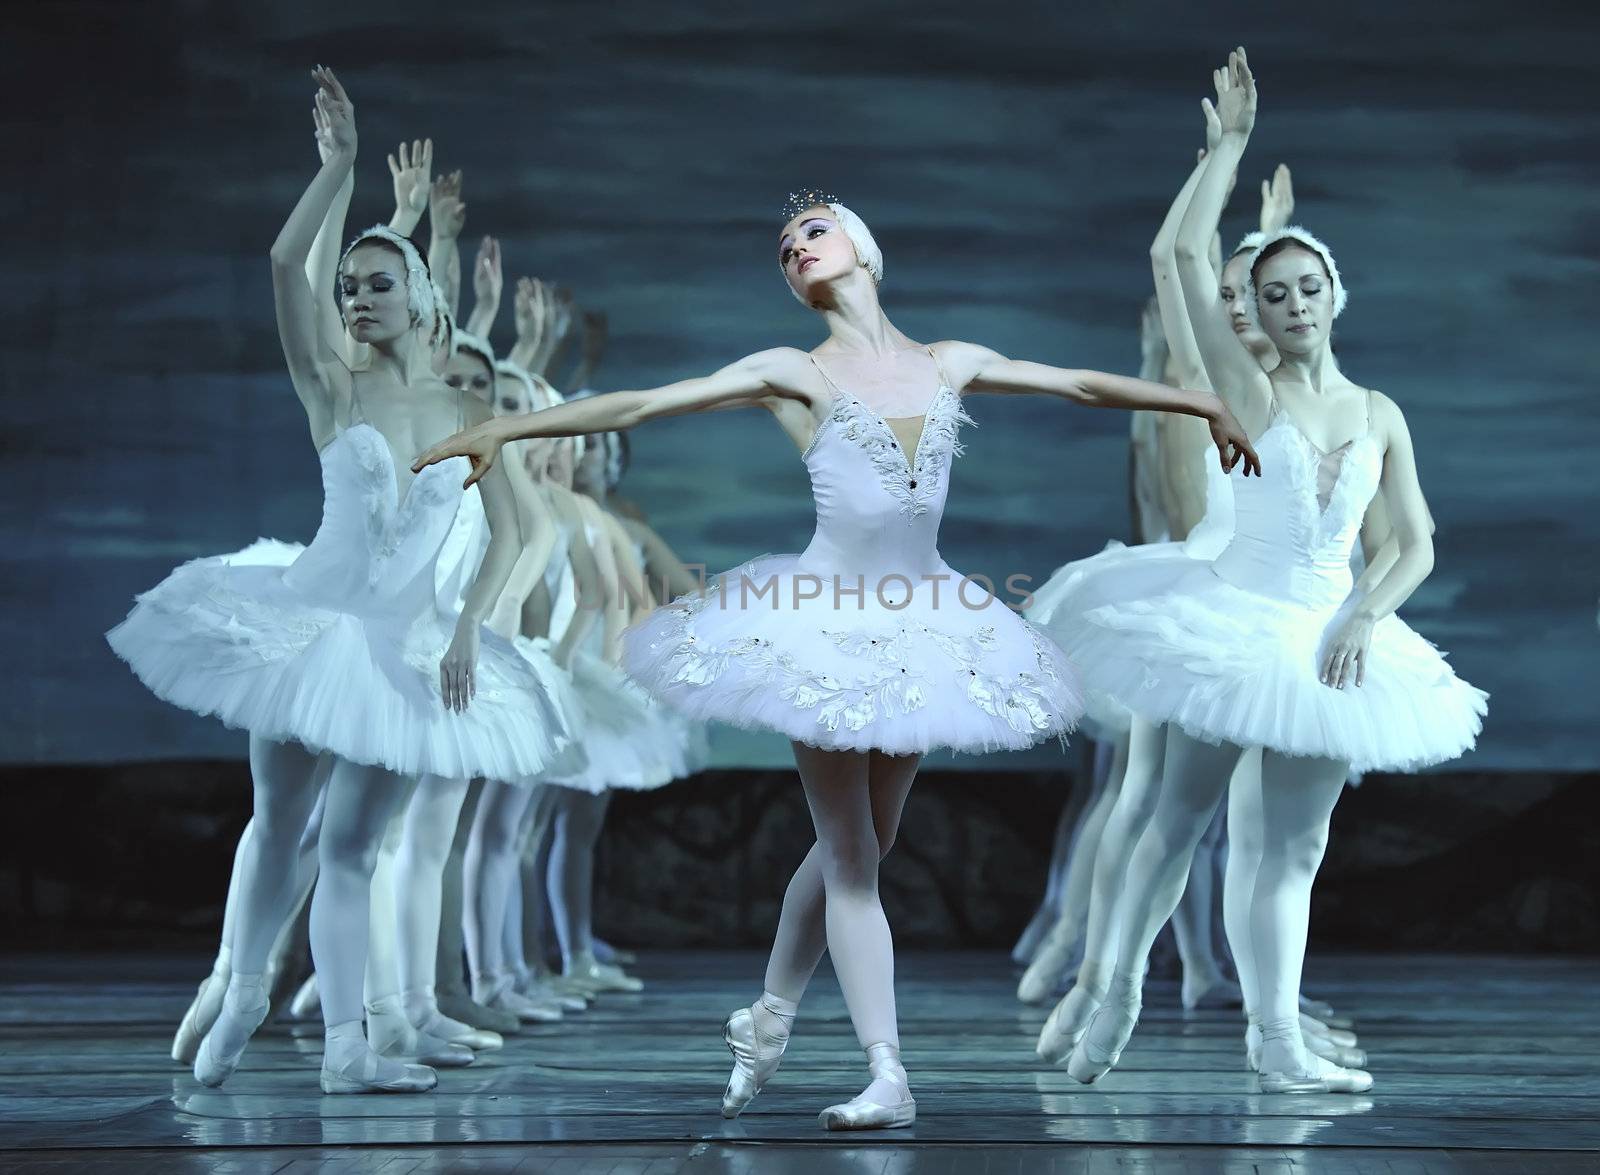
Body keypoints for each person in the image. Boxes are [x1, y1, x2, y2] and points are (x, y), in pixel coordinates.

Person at [412, 189, 1259, 1127]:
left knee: (867, 846)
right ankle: (886, 1072)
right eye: (784, 247)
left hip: (928, 623)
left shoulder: (949, 363)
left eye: (812, 231)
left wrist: (1200, 400)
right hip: (817, 623)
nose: (795, 248)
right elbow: (649, 402)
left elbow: (1079, 384)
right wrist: (506, 429)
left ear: (863, 247)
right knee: (853, 860)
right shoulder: (793, 369)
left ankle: (768, 1017)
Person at [107, 68, 576, 1093]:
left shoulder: (461, 408)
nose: (358, 298)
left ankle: (353, 1045)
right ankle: (238, 983)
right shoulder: (331, 382)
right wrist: (341, 170)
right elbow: (286, 261)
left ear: (419, 295)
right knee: (280, 822)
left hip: (405, 647)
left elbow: (505, 530)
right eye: (350, 287)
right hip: (309, 625)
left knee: (356, 847)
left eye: (378, 283)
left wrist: (460, 631)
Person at [1050, 49, 1486, 1094]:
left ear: (1335, 294)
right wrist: (1226, 150)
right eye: (1273, 291)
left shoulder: (1377, 412)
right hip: (1232, 620)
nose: (1291, 304)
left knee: (1289, 846)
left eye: (1306, 287)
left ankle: (1274, 1034)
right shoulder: (1244, 387)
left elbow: (1411, 539)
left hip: (1325, 639)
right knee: (1173, 815)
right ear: (1257, 304)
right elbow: (1179, 257)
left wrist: (1366, 613)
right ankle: (1110, 985)